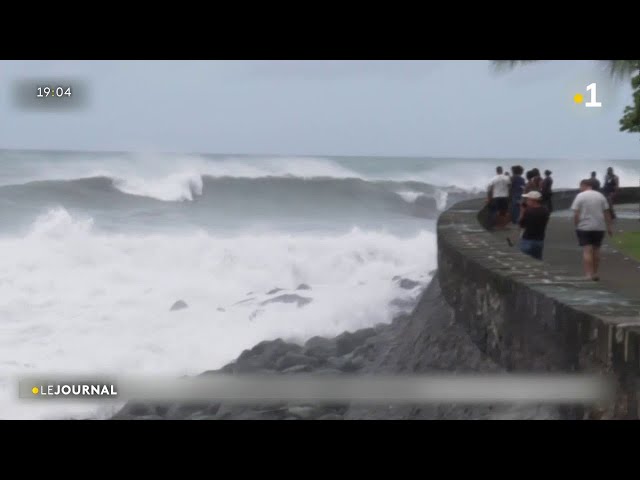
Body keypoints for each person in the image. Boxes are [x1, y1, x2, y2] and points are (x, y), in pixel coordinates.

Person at [571, 179, 613, 281]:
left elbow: (576, 213)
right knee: (596, 250)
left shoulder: (580, 196)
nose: (580, 188)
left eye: (581, 186)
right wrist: (609, 227)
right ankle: (595, 273)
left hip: (584, 226)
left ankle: (588, 274)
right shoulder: (601, 196)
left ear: (587, 185)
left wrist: (576, 224)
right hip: (599, 227)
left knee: (587, 251)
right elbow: (607, 213)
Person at [518, 190, 550, 260]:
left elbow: (521, 224)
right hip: (539, 240)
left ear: (533, 200)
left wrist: (522, 212)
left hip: (528, 239)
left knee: (524, 260)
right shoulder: (545, 210)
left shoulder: (528, 211)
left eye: (528, 199)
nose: (526, 201)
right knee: (537, 260)